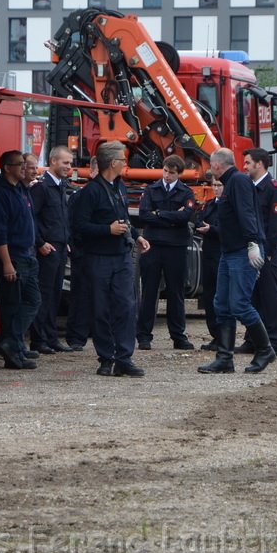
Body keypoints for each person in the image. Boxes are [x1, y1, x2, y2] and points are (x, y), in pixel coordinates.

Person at [70, 142, 151, 377]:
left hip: (122, 257)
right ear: (113, 163)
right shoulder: (91, 192)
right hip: (99, 259)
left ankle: (124, 358)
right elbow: (79, 225)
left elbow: (123, 217)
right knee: (101, 309)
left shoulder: (120, 187)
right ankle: (106, 358)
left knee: (126, 307)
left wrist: (136, 236)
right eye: (123, 160)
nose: (125, 164)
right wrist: (106, 230)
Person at [198, 147, 275, 374]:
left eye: (211, 165)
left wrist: (253, 243)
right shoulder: (231, 183)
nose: (210, 169)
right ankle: (225, 358)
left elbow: (247, 212)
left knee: (239, 304)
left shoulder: (238, 182)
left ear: (217, 166)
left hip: (243, 250)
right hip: (229, 252)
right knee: (221, 304)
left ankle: (265, 349)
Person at [136, 155, 196, 350]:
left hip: (176, 248)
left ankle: (178, 336)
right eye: (165, 171)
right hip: (153, 246)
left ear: (179, 173)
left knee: (175, 293)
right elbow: (145, 215)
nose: (167, 175)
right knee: (149, 292)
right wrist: (172, 218)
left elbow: (186, 216)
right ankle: (144, 336)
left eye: (172, 172)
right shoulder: (151, 190)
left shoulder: (186, 192)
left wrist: (160, 214)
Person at [0, 150, 42, 371]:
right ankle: (12, 350)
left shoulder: (22, 190)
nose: (24, 167)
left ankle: (9, 342)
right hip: (13, 257)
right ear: (7, 168)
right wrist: (7, 262)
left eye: (24, 163)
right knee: (10, 306)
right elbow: (0, 231)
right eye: (19, 164)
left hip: (28, 255)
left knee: (32, 300)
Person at [240, 147, 277, 362]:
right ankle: (254, 339)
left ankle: (275, 341)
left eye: (248, 163)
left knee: (270, 296)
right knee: (253, 296)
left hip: (266, 251)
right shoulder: (249, 188)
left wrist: (267, 252)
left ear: (259, 164)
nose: (245, 166)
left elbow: (276, 225)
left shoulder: (274, 189)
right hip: (251, 250)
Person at [28, 146, 75, 354]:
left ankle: (51, 337)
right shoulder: (42, 187)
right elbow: (32, 218)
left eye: (70, 163)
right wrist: (40, 243)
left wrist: (66, 239)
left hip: (60, 248)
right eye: (66, 163)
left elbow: (60, 218)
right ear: (53, 161)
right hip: (47, 249)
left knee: (55, 295)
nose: (69, 167)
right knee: (44, 295)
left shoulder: (61, 186)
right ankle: (39, 340)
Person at [64, 156, 98, 351]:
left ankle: (96, 329)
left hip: (102, 253)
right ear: (92, 171)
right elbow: (73, 223)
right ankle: (77, 336)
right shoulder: (81, 196)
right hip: (84, 251)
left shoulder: (116, 192)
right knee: (81, 294)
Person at [195, 178, 224, 351]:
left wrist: (211, 229)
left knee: (221, 298)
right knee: (209, 296)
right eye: (214, 185)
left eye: (220, 185)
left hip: (221, 254)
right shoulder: (210, 204)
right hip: (208, 254)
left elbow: (229, 230)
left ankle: (223, 336)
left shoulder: (228, 206)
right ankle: (215, 334)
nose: (217, 188)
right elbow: (199, 219)